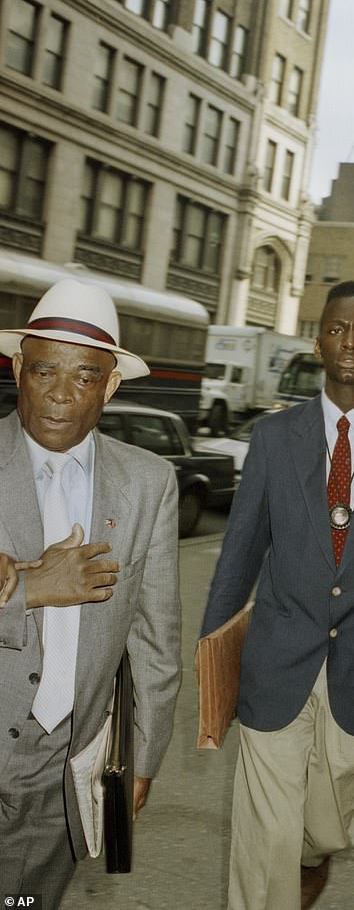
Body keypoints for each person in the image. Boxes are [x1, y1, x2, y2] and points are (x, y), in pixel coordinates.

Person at [200, 280, 354, 910]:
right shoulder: (272, 437)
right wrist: (213, 671)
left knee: (326, 823)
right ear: (318, 343)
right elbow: (238, 557)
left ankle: (313, 852)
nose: (351, 342)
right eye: (338, 329)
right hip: (275, 660)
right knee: (265, 839)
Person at [0, 279, 181, 909]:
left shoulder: (148, 484)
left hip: (62, 778)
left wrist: (143, 761)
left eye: (84, 377)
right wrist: (30, 587)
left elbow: (156, 644)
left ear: (110, 386)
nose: (59, 394)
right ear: (18, 368)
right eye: (44, 370)